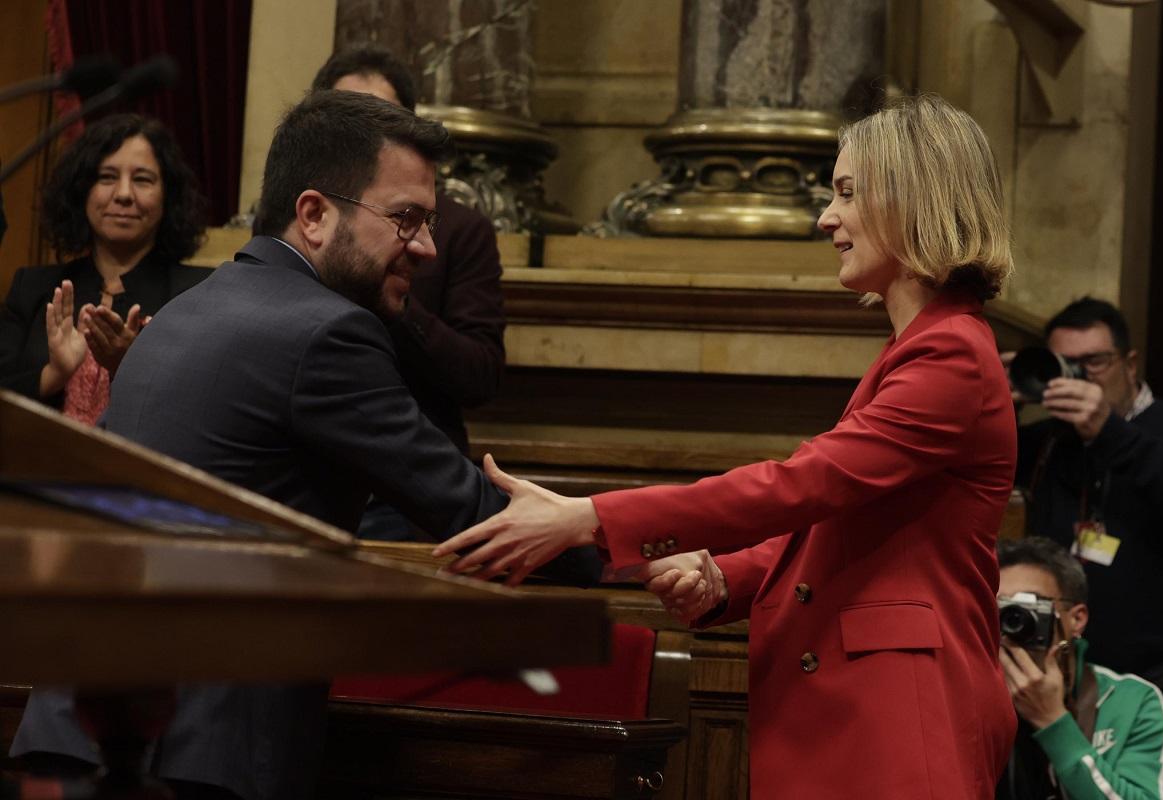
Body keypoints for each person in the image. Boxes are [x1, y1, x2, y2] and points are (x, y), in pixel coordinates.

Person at [11, 91, 595, 800]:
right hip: (199, 754)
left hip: (78, 729)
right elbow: (466, 509)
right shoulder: (326, 333)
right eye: (406, 219)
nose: (429, 247)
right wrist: (611, 538)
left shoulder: (185, 311)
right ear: (315, 214)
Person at [433, 94, 1019, 799]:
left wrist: (586, 517)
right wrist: (723, 577)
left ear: (913, 198)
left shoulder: (950, 353)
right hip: (861, 710)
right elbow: (837, 523)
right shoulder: (926, 346)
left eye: (845, 193)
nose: (826, 217)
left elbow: (802, 485)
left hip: (899, 716)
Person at [314, 45, 506, 541]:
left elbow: (479, 375)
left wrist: (388, 292)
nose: (362, 137)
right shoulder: (303, 219)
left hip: (406, 488)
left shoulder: (456, 231)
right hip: (306, 468)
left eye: (379, 119)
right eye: (345, 120)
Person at [1013, 297, 1163, 797]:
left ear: (1130, 363)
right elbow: (964, 471)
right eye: (1065, 365)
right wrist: (1000, 398)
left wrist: (1110, 433)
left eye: (1094, 363)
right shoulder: (1048, 442)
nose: (1081, 377)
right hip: (1063, 684)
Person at [0, 113, 208, 424]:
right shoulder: (32, 287)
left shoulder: (199, 294)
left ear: (168, 196)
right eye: (107, 177)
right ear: (81, 191)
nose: (123, 195)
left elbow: (206, 410)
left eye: (142, 179)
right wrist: (52, 376)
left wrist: (129, 365)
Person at [996, 536, 1163, 800]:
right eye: (1003, 608)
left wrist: (1054, 721)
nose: (1015, 621)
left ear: (1076, 619)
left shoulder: (1132, 701)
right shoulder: (969, 697)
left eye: (1030, 605)